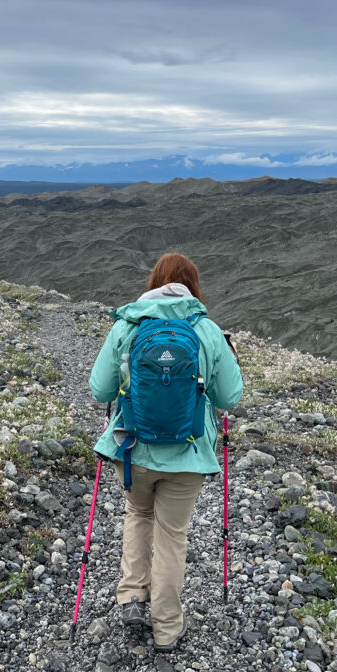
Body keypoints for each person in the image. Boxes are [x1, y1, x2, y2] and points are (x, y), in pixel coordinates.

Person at [89, 253, 243, 652]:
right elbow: (229, 397)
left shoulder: (129, 323)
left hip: (133, 448)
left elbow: (100, 390)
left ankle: (131, 599)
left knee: (138, 515)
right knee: (173, 535)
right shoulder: (206, 329)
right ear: (193, 286)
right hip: (189, 454)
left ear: (155, 281)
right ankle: (168, 630)